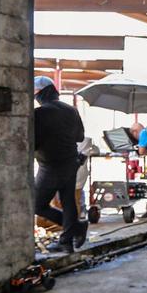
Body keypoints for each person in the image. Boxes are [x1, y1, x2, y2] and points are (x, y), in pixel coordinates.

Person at [33, 76, 88, 253]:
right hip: (71, 162)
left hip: (51, 166)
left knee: (37, 204)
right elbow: (79, 137)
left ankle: (76, 229)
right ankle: (67, 240)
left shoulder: (40, 113)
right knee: (68, 201)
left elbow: (33, 142)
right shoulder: (71, 110)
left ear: (40, 93)